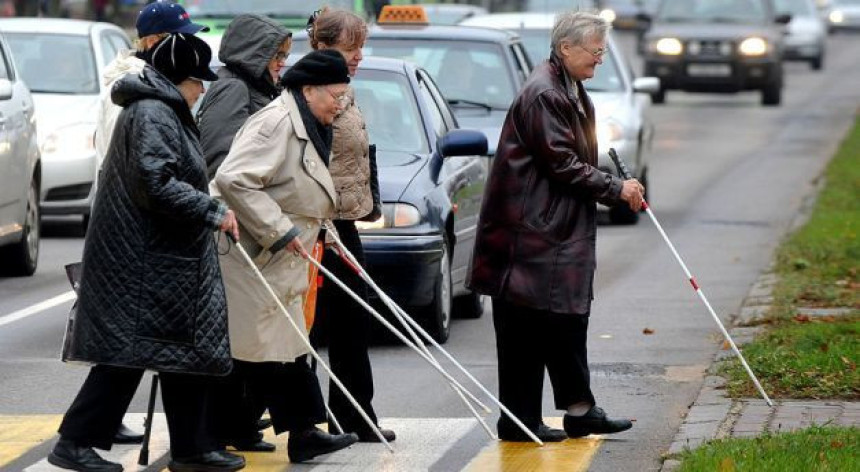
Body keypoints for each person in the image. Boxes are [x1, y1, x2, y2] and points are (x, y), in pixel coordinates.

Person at [48, 33, 245, 472]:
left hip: (159, 257)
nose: (201, 92)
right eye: (198, 83)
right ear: (180, 80)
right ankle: (74, 442)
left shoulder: (160, 108)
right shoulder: (154, 112)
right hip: (142, 260)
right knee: (126, 357)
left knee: (183, 351)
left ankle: (192, 448)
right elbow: (155, 183)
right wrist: (211, 210)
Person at [466, 11, 643, 442]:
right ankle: (531, 418)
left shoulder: (566, 85)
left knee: (556, 321)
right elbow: (562, 163)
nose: (600, 60)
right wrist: (616, 188)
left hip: (546, 229)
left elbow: (568, 161)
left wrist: (610, 186)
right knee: (536, 326)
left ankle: (569, 411)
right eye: (595, 52)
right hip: (531, 233)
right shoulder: (545, 92)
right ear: (566, 48)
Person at [211, 49, 360, 464]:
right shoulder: (276, 122)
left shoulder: (306, 118)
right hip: (254, 253)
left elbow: (298, 186)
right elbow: (233, 178)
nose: (341, 104)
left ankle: (289, 432)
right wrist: (280, 229)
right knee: (262, 349)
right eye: (336, 95)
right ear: (309, 90)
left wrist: (323, 230)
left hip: (281, 253)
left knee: (284, 346)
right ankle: (224, 434)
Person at [196, 13, 293, 452]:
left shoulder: (256, 89)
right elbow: (219, 158)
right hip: (234, 228)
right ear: (257, 54)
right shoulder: (234, 88)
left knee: (253, 333)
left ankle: (238, 423)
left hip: (250, 226)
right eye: (278, 56)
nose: (282, 66)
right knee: (243, 334)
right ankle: (227, 426)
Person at [306, 7, 393, 443]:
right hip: (319, 224)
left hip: (346, 221)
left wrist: (369, 202)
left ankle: (354, 413)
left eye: (362, 46)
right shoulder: (312, 94)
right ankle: (304, 420)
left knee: (352, 320)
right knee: (314, 324)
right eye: (350, 47)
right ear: (322, 47)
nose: (359, 56)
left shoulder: (345, 90)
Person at [95, 0, 209, 167]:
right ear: (153, 42)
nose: (187, 44)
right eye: (182, 38)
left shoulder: (151, 82)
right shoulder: (132, 86)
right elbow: (127, 166)